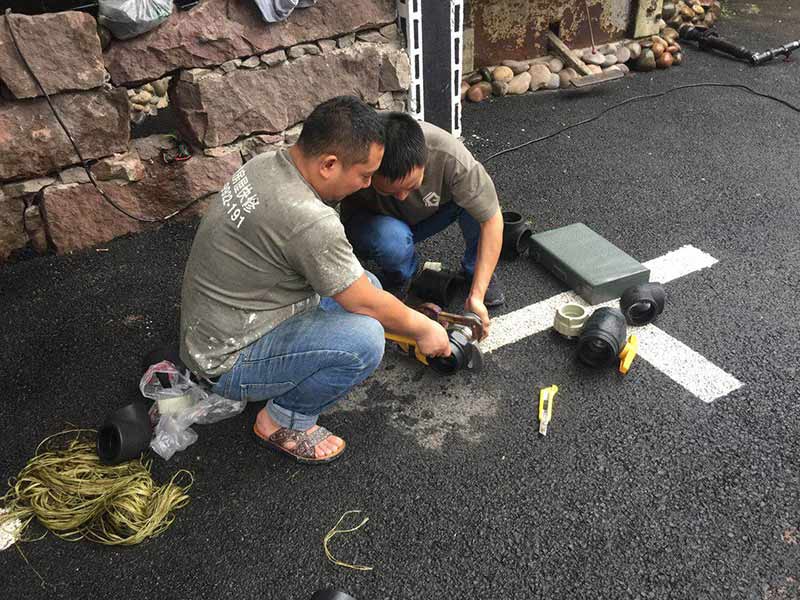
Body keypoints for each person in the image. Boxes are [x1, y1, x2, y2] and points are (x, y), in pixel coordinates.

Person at [179, 96, 451, 464]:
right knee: (365, 340)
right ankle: (283, 421)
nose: (367, 185)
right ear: (329, 164)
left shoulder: (266, 164)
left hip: (213, 325)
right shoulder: (308, 219)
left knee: (367, 283)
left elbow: (358, 290)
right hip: (225, 359)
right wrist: (423, 328)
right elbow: (363, 303)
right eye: (364, 175)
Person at [340, 112, 505, 336]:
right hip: (375, 223)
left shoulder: (450, 157)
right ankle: (402, 276)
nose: (402, 197)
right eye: (391, 191)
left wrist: (477, 295)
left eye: (411, 186)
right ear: (370, 173)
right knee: (393, 241)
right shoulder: (356, 159)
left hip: (429, 215)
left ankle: (475, 269)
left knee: (477, 204)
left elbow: (491, 219)